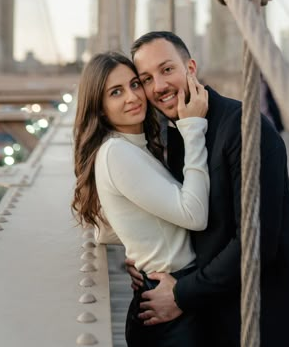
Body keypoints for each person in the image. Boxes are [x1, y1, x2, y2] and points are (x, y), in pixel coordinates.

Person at [127, 31, 289, 347]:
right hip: (213, 317)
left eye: (167, 69)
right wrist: (143, 251)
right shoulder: (172, 136)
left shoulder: (246, 128)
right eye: (147, 78)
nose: (159, 86)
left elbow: (256, 241)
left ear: (191, 68)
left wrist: (181, 293)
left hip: (268, 321)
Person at [72, 51, 210, 347]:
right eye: (116, 92)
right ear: (100, 106)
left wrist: (139, 246)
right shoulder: (117, 153)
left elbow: (106, 229)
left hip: (168, 292)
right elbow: (194, 215)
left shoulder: (133, 146)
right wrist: (194, 129)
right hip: (169, 305)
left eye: (135, 84)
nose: (133, 97)